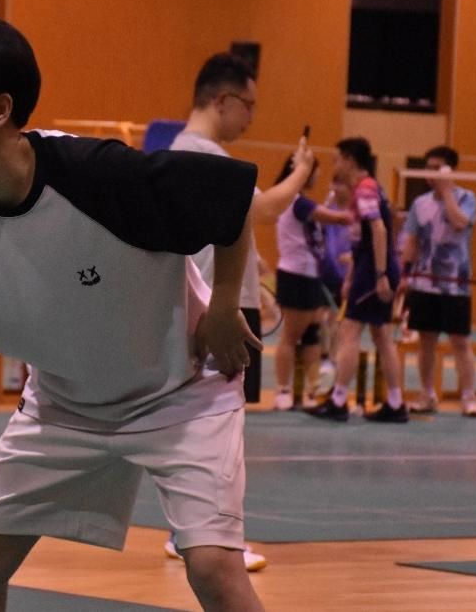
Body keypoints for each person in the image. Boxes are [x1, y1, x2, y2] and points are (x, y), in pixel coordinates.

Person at [0, 14, 266, 611]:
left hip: (180, 394)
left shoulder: (96, 175)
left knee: (214, 568)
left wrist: (221, 306)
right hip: (63, 406)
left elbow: (231, 201)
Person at [169, 52, 315, 407]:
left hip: (210, 300)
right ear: (222, 100)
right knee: (221, 416)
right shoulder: (203, 154)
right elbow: (264, 210)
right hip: (219, 306)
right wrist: (302, 170)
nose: (251, 117)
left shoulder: (184, 149)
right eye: (249, 105)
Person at [305, 137, 407, 422]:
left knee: (349, 332)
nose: (334, 165)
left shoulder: (365, 189)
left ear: (350, 160)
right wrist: (352, 275)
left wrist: (380, 275)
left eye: (337, 160)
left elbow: (380, 230)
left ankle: (338, 400)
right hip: (368, 268)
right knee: (381, 335)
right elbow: (362, 239)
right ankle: (396, 402)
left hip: (374, 270)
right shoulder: (366, 189)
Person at [398, 145, 476, 418]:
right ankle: (427, 394)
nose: (431, 174)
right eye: (428, 168)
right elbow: (412, 241)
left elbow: (459, 223)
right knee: (426, 341)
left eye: (438, 169)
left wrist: (446, 192)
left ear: (450, 170)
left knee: (460, 342)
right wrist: (404, 276)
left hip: (456, 284)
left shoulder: (467, 198)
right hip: (424, 283)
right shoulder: (419, 204)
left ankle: (469, 396)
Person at [273, 160, 351, 410]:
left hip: (311, 275)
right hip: (295, 275)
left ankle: (312, 387)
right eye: (315, 171)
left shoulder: (303, 202)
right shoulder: (297, 202)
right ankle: (283, 390)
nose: (318, 176)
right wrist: (365, 212)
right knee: (290, 336)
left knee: (312, 335)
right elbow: (338, 218)